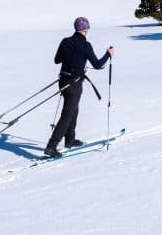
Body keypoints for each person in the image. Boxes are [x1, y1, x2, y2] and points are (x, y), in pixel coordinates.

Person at [44, 17, 115, 158]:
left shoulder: (65, 41)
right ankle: (51, 147)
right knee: (67, 115)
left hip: (63, 80)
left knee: (73, 111)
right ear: (86, 29)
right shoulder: (85, 45)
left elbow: (57, 60)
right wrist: (108, 54)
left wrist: (70, 56)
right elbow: (98, 65)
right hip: (74, 83)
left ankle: (69, 140)